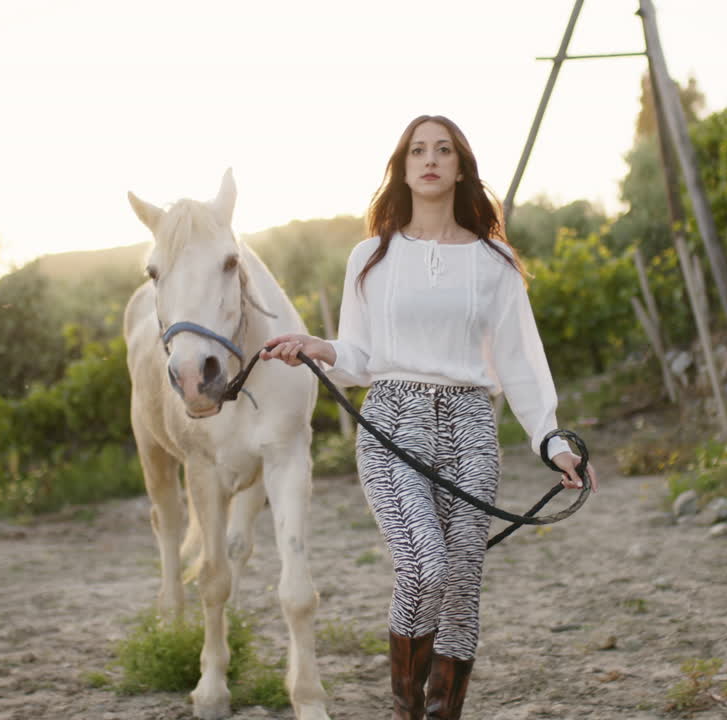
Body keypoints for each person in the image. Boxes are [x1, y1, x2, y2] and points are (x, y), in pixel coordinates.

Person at [260, 114, 598, 720]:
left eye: (443, 150)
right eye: (418, 150)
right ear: (403, 167)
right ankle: (404, 712)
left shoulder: (494, 262)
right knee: (426, 565)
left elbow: (521, 361)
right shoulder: (371, 257)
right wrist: (320, 346)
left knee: (463, 584)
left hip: (470, 425)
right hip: (392, 421)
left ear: (461, 166)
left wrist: (551, 439)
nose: (431, 159)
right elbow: (360, 357)